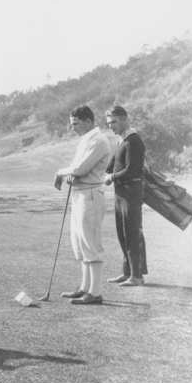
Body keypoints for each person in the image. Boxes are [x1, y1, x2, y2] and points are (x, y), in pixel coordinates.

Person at [54, 106, 112, 305]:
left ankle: (95, 293)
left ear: (88, 121)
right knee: (79, 243)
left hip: (91, 195)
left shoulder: (98, 140)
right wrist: (70, 174)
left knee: (90, 243)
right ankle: (84, 288)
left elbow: (80, 169)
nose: (73, 128)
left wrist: (60, 172)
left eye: (76, 124)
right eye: (72, 124)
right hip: (80, 195)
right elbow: (76, 171)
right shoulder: (85, 140)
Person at [104, 106, 147, 287]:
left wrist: (112, 177)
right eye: (108, 123)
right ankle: (127, 272)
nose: (111, 126)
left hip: (131, 192)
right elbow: (112, 165)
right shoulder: (122, 141)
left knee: (132, 233)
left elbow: (132, 170)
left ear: (124, 119)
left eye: (113, 122)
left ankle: (136, 276)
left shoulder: (133, 140)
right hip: (121, 193)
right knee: (122, 233)